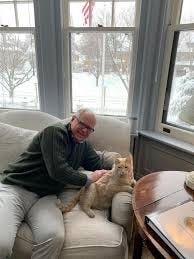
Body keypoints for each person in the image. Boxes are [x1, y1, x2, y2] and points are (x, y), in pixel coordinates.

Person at [0, 108, 112, 259]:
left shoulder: (83, 146)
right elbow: (57, 170)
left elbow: (97, 163)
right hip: (16, 189)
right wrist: (88, 179)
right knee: (2, 244)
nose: (85, 131)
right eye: (82, 124)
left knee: (53, 237)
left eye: (90, 129)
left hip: (46, 197)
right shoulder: (54, 132)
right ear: (73, 119)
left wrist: (120, 166)